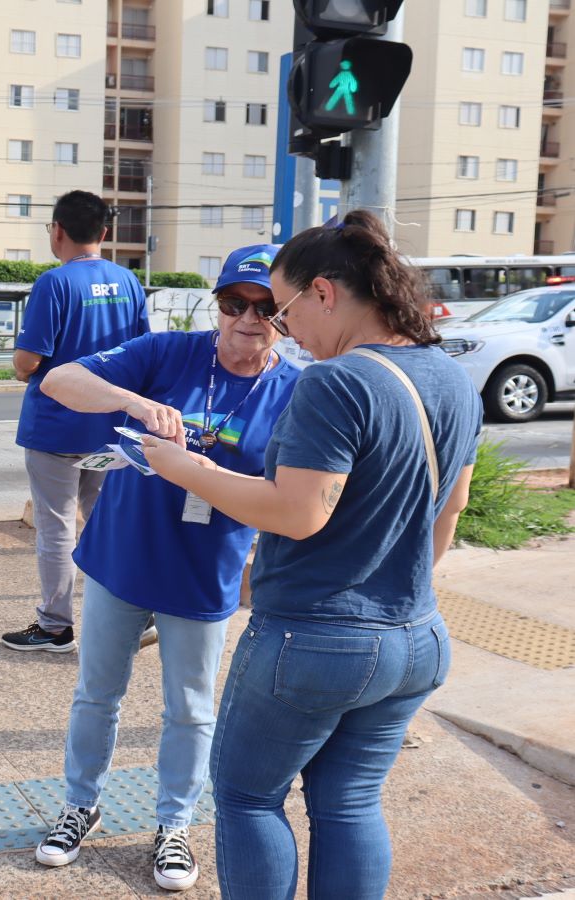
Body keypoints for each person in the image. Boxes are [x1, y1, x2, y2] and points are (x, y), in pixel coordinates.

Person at [138, 212, 482, 899]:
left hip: (313, 638)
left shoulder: (337, 383)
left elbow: (297, 511)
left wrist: (177, 465)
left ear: (325, 293)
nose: (284, 330)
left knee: (245, 797)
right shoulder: (450, 377)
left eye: (286, 310)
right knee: (349, 802)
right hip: (415, 635)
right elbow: (452, 510)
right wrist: (392, 593)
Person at [29, 244, 298, 892]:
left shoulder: (293, 392)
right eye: (235, 303)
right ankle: (80, 805)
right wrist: (136, 403)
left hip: (204, 574)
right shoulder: (170, 353)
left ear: (284, 316)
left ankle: (173, 826)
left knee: (190, 709)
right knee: (97, 693)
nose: (247, 319)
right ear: (219, 305)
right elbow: (56, 380)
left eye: (265, 307)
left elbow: (293, 494)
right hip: (121, 558)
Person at [1, 189, 150, 653]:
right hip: (111, 427)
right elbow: (145, 352)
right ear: (104, 234)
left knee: (57, 527)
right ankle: (135, 617)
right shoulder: (129, 282)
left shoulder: (55, 283)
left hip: (57, 426)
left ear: (57, 231)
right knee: (111, 522)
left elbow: (29, 359)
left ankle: (54, 625)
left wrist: (20, 368)